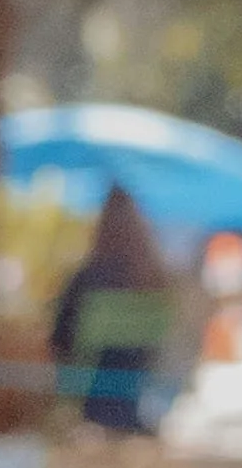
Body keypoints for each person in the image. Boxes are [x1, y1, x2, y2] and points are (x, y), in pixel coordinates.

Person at [51, 179, 176, 437]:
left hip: (90, 399)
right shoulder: (154, 278)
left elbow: (60, 339)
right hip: (139, 398)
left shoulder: (89, 277)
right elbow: (165, 341)